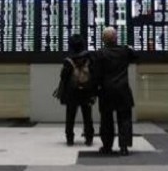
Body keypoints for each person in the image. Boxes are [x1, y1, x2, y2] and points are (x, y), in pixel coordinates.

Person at [93, 26, 138, 155]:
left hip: (106, 90)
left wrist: (95, 91)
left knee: (106, 120)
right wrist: (130, 48)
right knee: (124, 119)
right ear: (116, 38)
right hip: (123, 90)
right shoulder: (125, 51)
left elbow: (96, 74)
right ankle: (124, 147)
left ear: (103, 39)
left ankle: (107, 146)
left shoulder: (100, 53)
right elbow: (136, 57)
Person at [58, 34, 95, 146]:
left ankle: (70, 138)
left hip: (72, 92)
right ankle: (89, 138)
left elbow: (63, 77)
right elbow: (94, 74)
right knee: (87, 116)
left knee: (70, 116)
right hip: (86, 91)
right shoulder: (89, 58)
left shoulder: (68, 61)